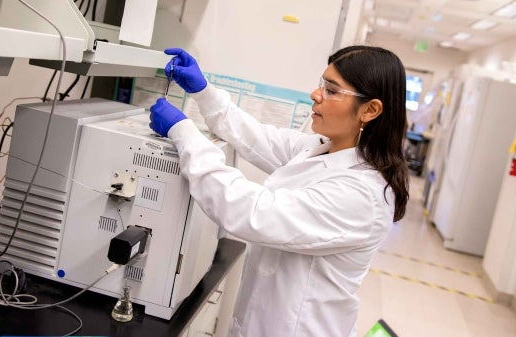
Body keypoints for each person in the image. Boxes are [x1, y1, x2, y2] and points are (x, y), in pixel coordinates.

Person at [149, 46, 409, 337]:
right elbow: (256, 137)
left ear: (370, 110)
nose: (316, 94)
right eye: (323, 84)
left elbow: (250, 212)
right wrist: (203, 91)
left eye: (332, 91)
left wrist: (183, 132)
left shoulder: (363, 195)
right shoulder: (321, 147)